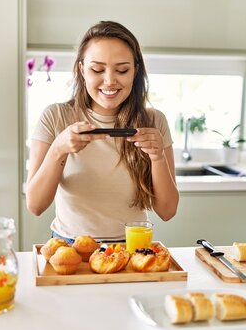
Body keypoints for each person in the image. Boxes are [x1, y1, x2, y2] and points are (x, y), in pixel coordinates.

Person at [26, 21, 179, 242]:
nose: (109, 80)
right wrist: (59, 149)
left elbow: (167, 211)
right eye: (97, 69)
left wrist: (157, 157)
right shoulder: (56, 116)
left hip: (132, 248)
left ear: (135, 70)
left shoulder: (154, 121)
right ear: (81, 69)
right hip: (70, 249)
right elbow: (35, 205)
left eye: (122, 70)